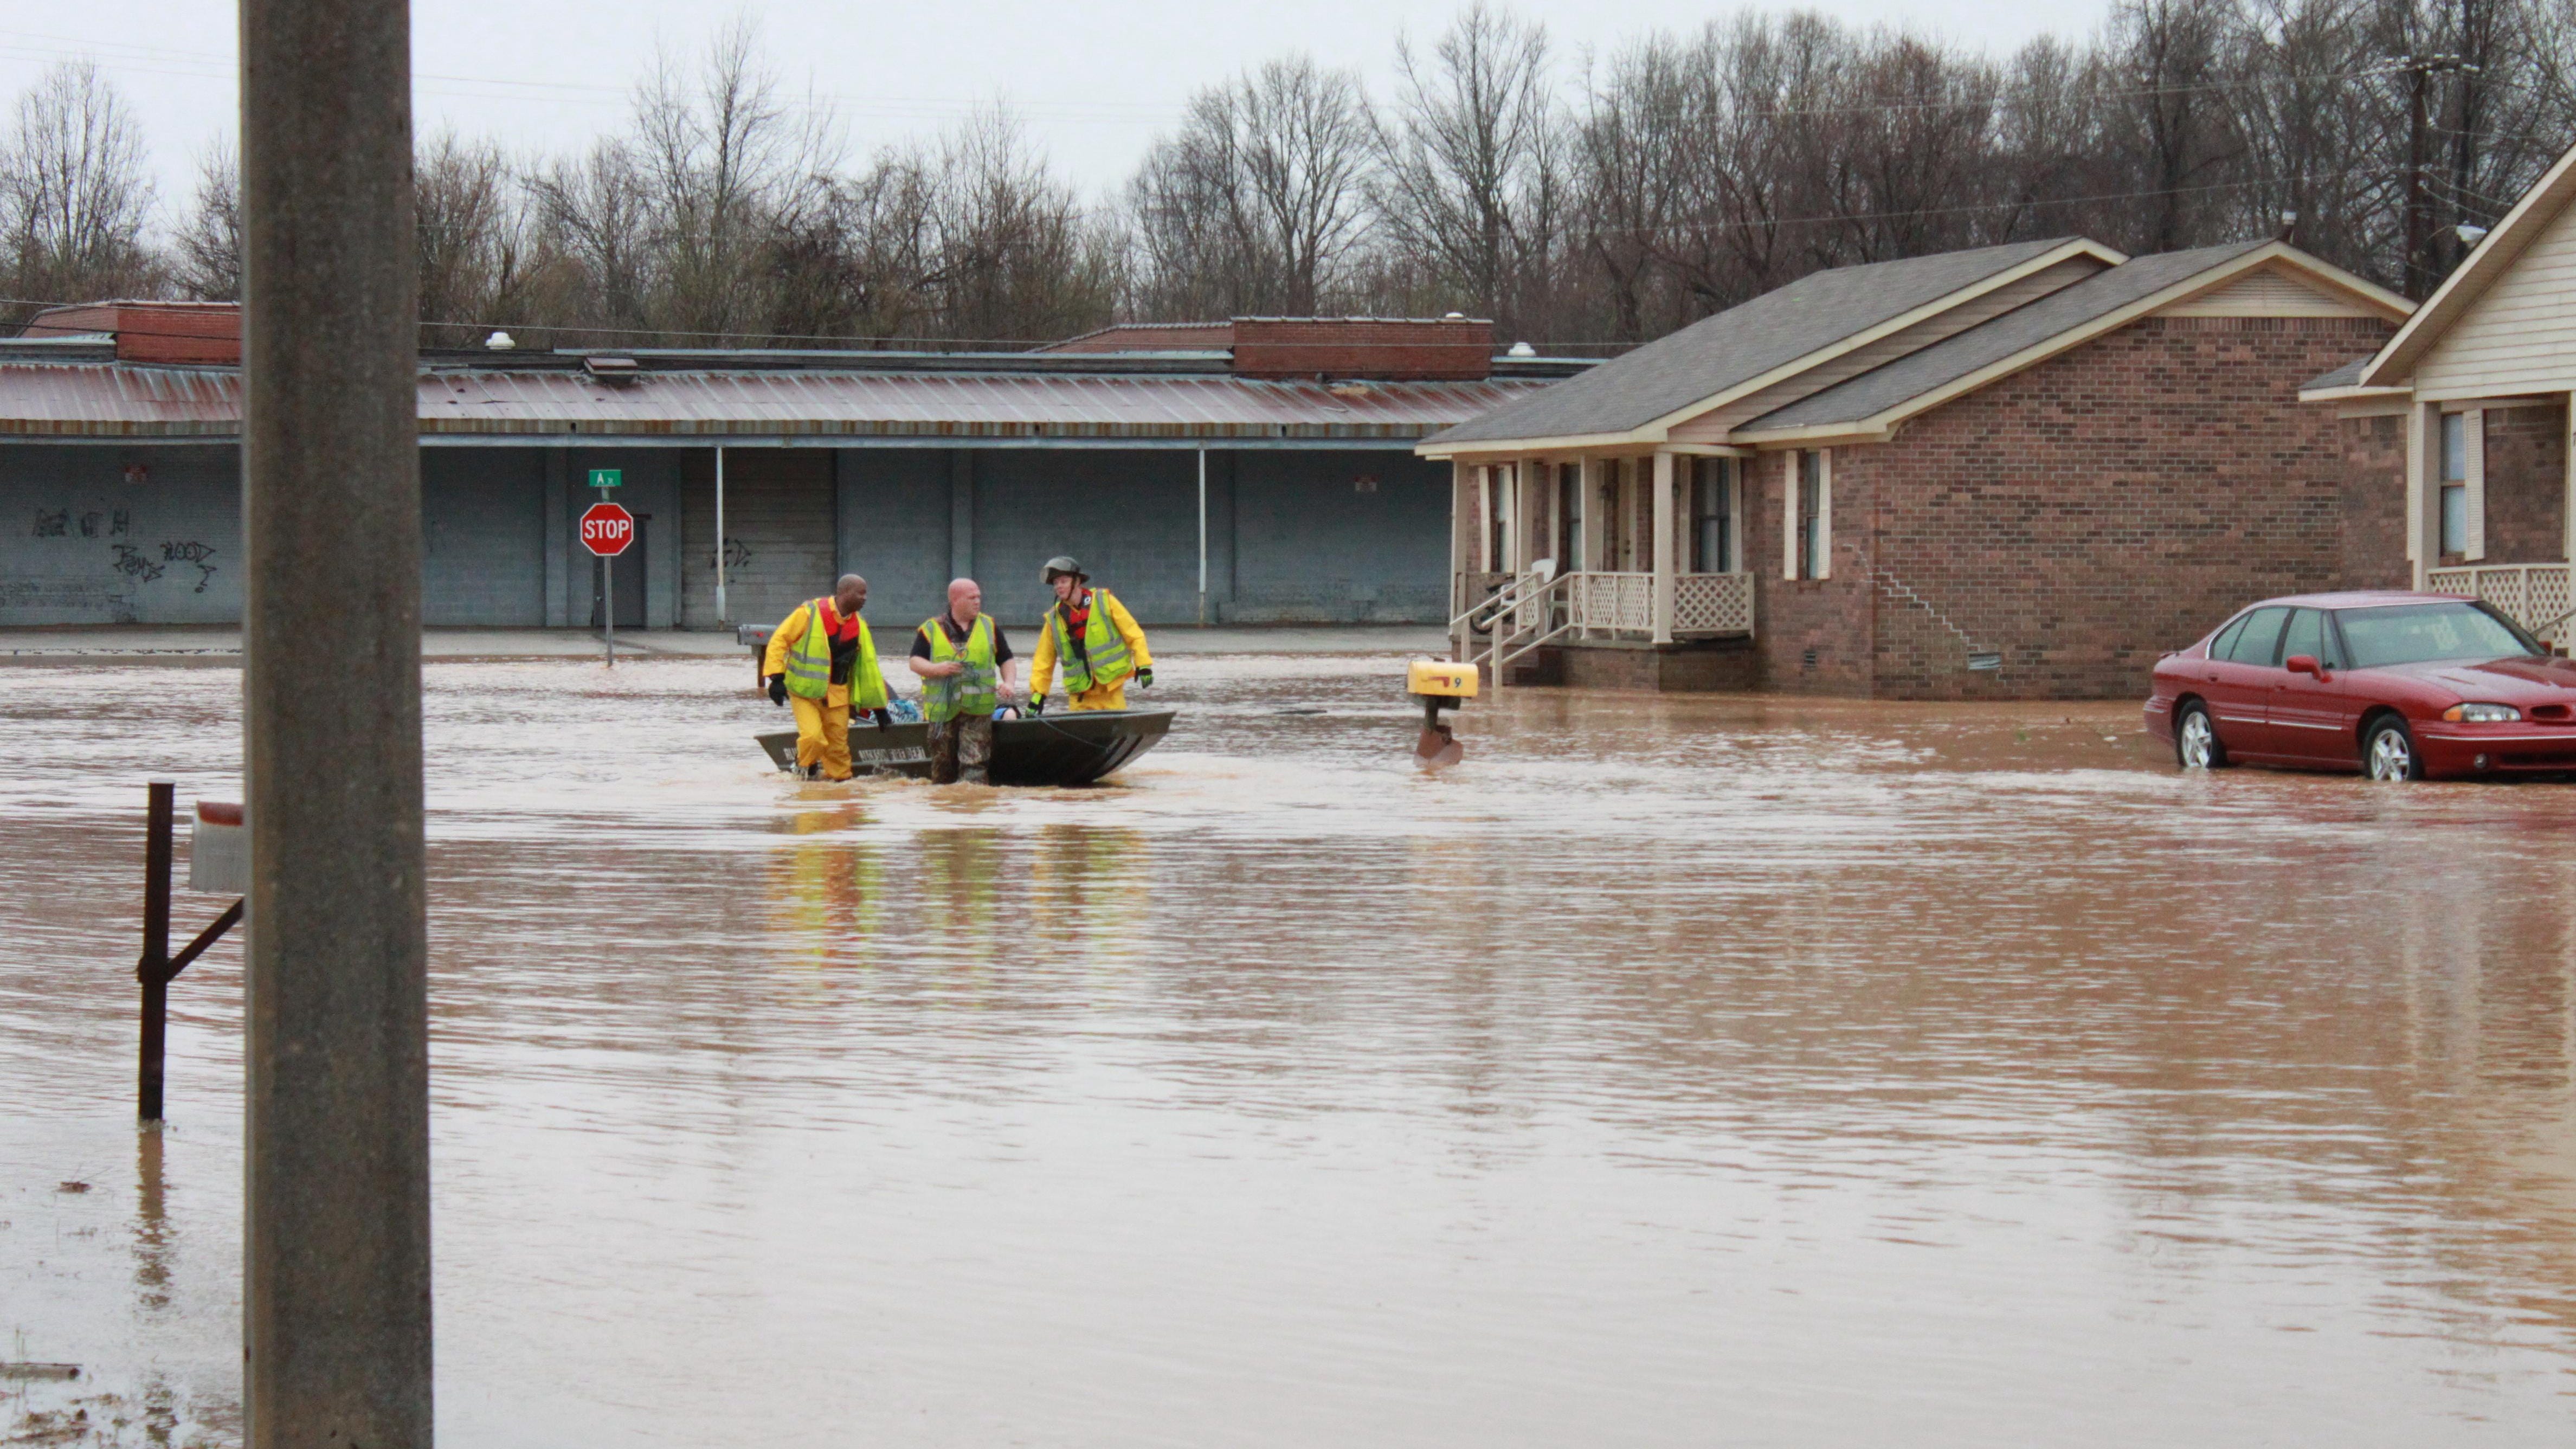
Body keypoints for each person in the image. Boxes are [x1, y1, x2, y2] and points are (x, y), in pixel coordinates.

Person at [762, 574, 891, 782]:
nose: (865, 598)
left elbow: (868, 670)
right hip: (804, 692)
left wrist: (879, 707)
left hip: (837, 694)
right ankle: (805, 772)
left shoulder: (859, 626)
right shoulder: (810, 613)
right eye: (861, 593)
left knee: (838, 749)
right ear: (846, 593)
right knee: (813, 738)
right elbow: (779, 640)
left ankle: (840, 791)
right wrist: (776, 677)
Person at [908, 577, 1021, 785]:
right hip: (942, 712)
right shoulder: (931, 629)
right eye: (972, 598)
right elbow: (915, 662)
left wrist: (1009, 683)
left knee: (974, 767)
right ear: (955, 601)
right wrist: (937, 669)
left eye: (979, 597)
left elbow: (1006, 659)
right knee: (942, 770)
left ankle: (973, 807)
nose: (978, 602)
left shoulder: (989, 626)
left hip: (977, 711)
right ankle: (946, 810)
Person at [1027, 555, 1153, 714]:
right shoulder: (1053, 620)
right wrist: (1038, 695)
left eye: (1064, 581)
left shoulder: (1104, 601)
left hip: (1111, 691)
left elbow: (1134, 634)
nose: (1059, 586)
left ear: (1077, 582)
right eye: (1056, 582)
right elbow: (1043, 661)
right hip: (1080, 697)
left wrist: (1144, 664)